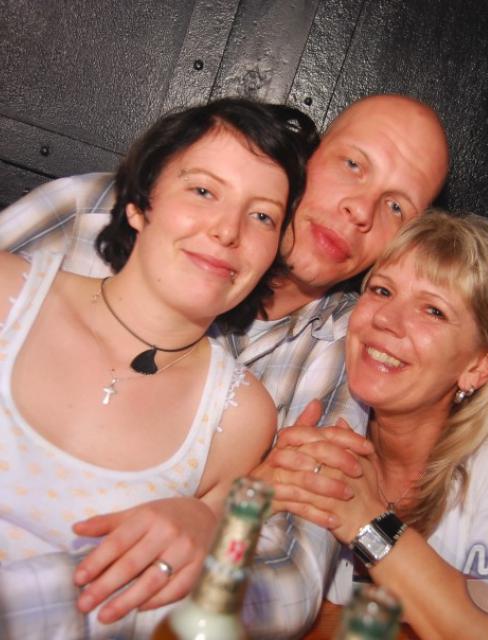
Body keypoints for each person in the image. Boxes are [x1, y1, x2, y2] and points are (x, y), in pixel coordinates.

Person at [0, 94, 451, 636]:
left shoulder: (336, 355)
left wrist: (213, 523)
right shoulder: (86, 214)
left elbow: (291, 580)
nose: (361, 209)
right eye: (353, 164)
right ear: (307, 157)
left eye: (397, 206)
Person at [273, 212, 488, 639]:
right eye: (382, 290)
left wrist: (371, 524)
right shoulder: (315, 393)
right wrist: (264, 487)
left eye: (433, 311)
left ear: (478, 366)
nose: (386, 319)